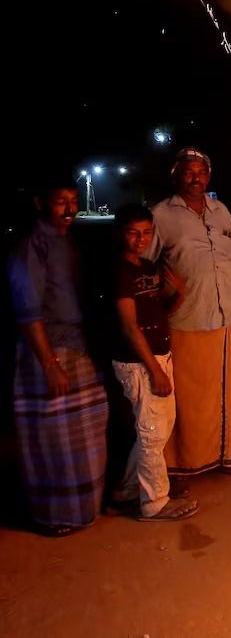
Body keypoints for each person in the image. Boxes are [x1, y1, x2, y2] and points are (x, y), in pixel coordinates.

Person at [7, 183, 108, 536]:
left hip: (77, 346)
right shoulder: (31, 245)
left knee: (87, 434)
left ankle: (82, 511)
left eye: (73, 202)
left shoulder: (69, 242)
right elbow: (28, 309)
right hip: (48, 352)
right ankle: (55, 517)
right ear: (41, 202)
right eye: (60, 202)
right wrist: (49, 363)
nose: (69, 209)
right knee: (54, 442)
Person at [146, 148, 231, 476]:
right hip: (185, 320)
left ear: (209, 176)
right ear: (176, 175)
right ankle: (181, 466)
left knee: (222, 395)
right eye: (188, 172)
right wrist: (165, 289)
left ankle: (225, 456)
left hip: (223, 319)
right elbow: (145, 264)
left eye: (201, 172)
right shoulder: (162, 214)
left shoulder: (222, 212)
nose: (195, 177)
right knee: (187, 401)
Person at [110, 205, 199, 521]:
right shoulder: (119, 272)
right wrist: (155, 369)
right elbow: (130, 326)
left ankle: (127, 490)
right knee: (151, 433)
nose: (140, 239)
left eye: (146, 232)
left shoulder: (146, 267)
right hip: (139, 363)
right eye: (133, 232)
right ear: (121, 232)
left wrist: (179, 293)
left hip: (158, 357)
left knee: (157, 430)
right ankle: (154, 502)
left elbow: (160, 310)